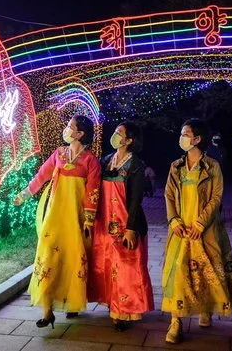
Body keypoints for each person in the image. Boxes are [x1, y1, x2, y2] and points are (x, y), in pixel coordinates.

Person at [162, 118, 232, 344]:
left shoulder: (213, 167)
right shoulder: (176, 167)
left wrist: (201, 223)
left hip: (205, 230)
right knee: (178, 275)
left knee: (206, 273)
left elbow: (216, 198)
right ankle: (176, 322)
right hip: (180, 231)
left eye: (186, 133)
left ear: (197, 139)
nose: (182, 137)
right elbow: (169, 195)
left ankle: (206, 308)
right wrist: (174, 221)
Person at [14, 115, 101, 328]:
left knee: (72, 258)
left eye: (70, 127)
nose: (66, 129)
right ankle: (47, 311)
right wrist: (25, 194)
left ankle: (73, 303)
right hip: (54, 216)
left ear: (80, 134)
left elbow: (93, 192)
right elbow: (41, 176)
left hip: (76, 218)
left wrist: (88, 222)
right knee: (48, 255)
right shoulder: (59, 154)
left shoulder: (91, 160)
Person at [88, 121, 154, 331]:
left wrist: (131, 228)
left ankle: (125, 309)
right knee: (107, 264)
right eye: (116, 131)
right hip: (105, 222)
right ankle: (111, 303)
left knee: (126, 266)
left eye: (119, 133)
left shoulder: (135, 164)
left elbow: (136, 199)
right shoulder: (106, 160)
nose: (115, 135)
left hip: (125, 223)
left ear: (129, 140)